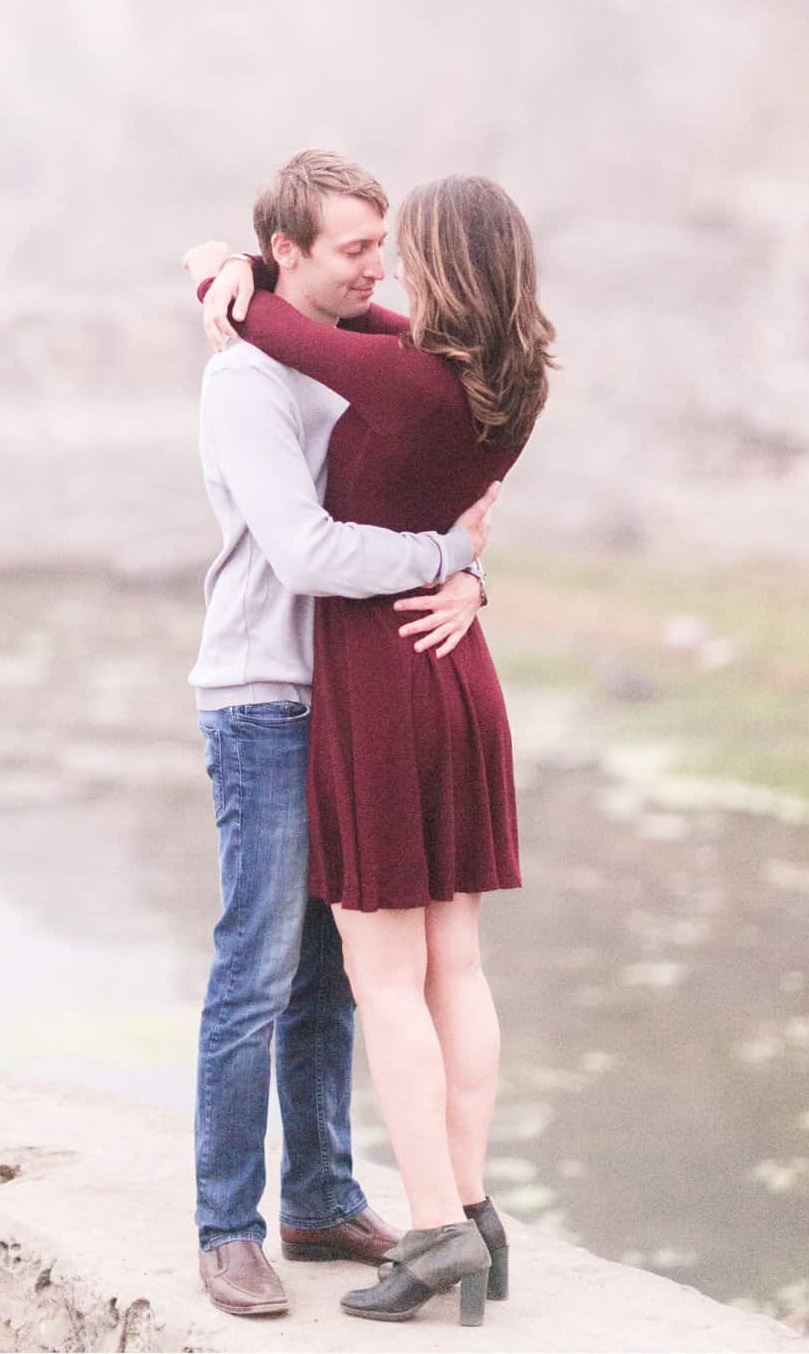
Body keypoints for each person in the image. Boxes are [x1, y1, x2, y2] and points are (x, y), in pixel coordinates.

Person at [189, 170, 556, 1328]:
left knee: (353, 980)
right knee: (277, 970)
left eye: (391, 249)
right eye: (352, 247)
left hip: (369, 692)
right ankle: (234, 1226)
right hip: (294, 695)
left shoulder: (386, 372)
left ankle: (357, 1205)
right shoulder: (271, 378)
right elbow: (307, 544)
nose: (377, 268)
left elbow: (403, 466)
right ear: (290, 247)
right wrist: (451, 556)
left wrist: (464, 563)